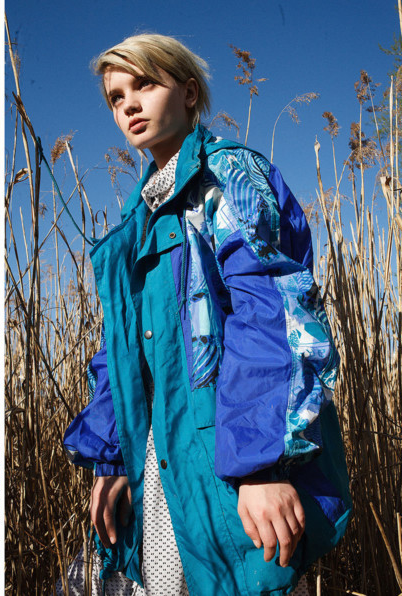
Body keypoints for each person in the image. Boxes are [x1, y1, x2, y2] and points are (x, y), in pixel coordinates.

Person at [61, 34, 351, 595]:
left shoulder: (228, 179)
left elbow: (271, 315)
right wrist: (113, 455)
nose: (129, 105)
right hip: (160, 456)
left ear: (189, 93)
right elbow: (124, 346)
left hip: (227, 454)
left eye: (144, 84)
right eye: (117, 97)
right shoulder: (140, 213)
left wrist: (258, 466)